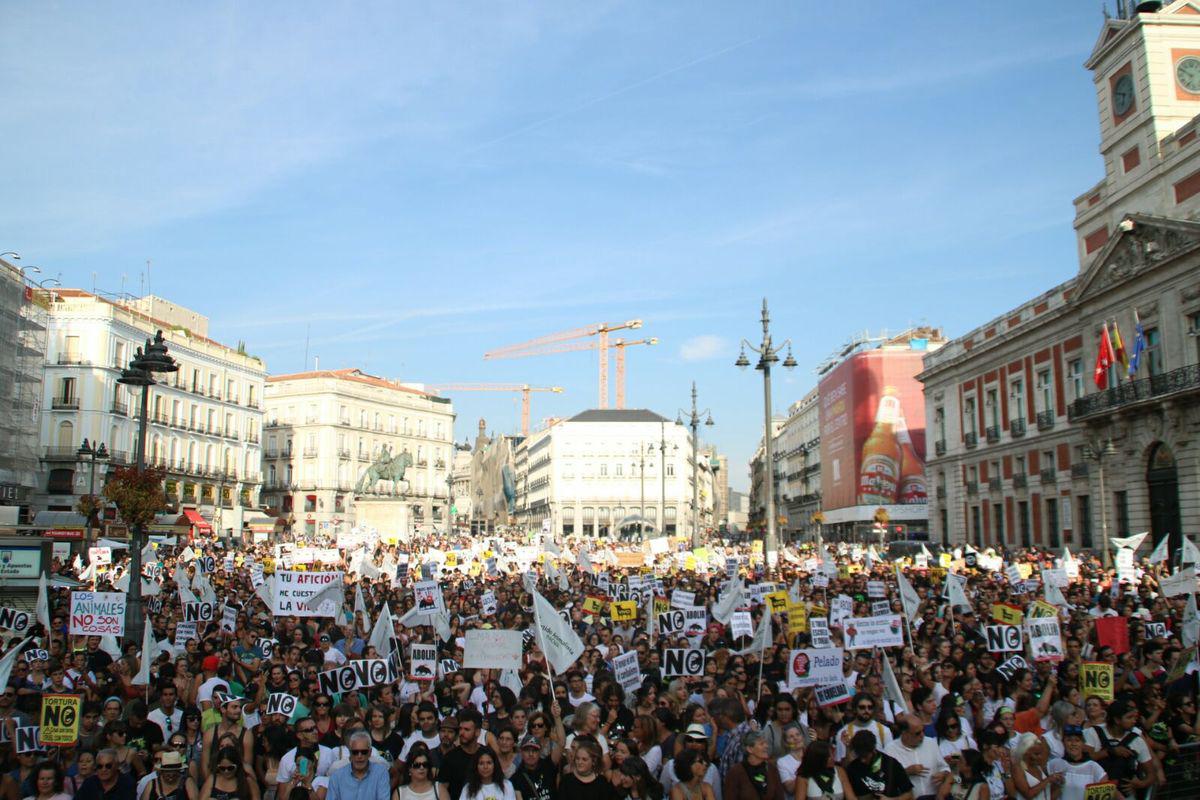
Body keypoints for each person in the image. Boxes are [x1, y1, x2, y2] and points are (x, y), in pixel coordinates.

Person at [884, 715, 950, 800]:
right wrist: (906, 772)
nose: (922, 735)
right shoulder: (890, 750)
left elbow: (945, 767)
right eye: (917, 733)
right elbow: (886, 779)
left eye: (923, 730)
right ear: (904, 733)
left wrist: (943, 774)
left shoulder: (931, 743)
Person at [439, 709, 492, 800]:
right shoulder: (450, 758)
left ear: (477, 732)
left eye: (467, 729)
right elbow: (441, 788)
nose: (461, 733)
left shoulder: (487, 754)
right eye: (460, 729)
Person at [844, 731, 913, 800]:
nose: (862, 760)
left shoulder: (890, 764)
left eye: (865, 756)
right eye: (860, 756)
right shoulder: (852, 768)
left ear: (873, 749)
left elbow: (909, 794)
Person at [1045, 728, 1106, 800]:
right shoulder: (1054, 764)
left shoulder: (1093, 767)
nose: (1073, 744)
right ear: (1063, 742)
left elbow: (1106, 792)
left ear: (1083, 743)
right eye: (1069, 740)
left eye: (1077, 740)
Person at [328, 732, 390, 800]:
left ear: (370, 752)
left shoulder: (380, 773)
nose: (359, 756)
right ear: (350, 753)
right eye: (355, 752)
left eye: (364, 752)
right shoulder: (336, 777)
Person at [721, 731, 783, 800]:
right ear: (750, 749)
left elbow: (779, 797)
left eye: (766, 743)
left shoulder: (772, 769)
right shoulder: (735, 772)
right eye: (761, 744)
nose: (766, 746)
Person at [1008, 735, 1060, 800]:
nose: (1040, 757)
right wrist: (1048, 780)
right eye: (1036, 754)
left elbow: (1048, 796)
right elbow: (1028, 794)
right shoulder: (1017, 768)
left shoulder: (1038, 767)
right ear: (1026, 752)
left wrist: (1059, 785)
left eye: (1040, 753)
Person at [509, 735, 557, 800]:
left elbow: (562, 743)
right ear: (521, 752)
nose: (531, 754)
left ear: (540, 752)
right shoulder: (515, 779)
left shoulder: (548, 766)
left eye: (534, 750)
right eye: (527, 750)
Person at [773, 725, 805, 795]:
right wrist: (804, 769)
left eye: (798, 734)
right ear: (786, 743)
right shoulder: (782, 762)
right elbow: (790, 789)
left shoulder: (813, 754)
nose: (796, 738)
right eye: (791, 736)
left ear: (802, 737)